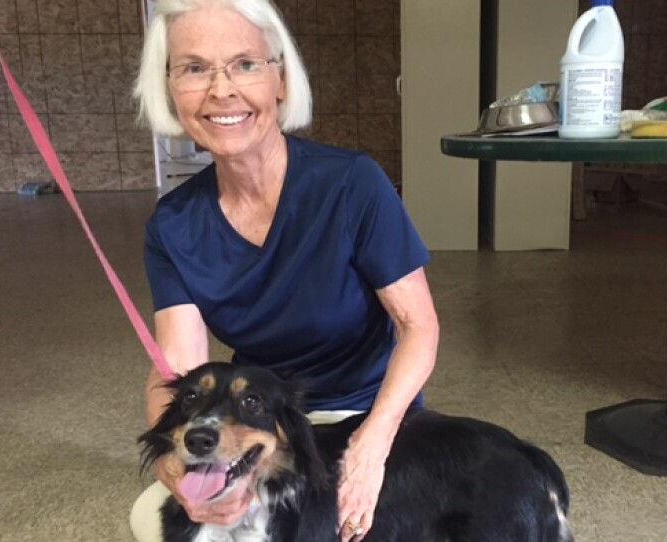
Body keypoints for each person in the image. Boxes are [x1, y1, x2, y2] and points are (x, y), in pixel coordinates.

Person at [128, 0, 439, 540]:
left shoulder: (351, 184)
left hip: (373, 412)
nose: (221, 90)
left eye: (245, 63)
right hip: (262, 421)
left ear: (281, 79)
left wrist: (372, 446)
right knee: (155, 521)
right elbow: (174, 371)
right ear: (170, 90)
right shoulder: (173, 225)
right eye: (195, 68)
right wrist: (174, 472)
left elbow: (419, 327)